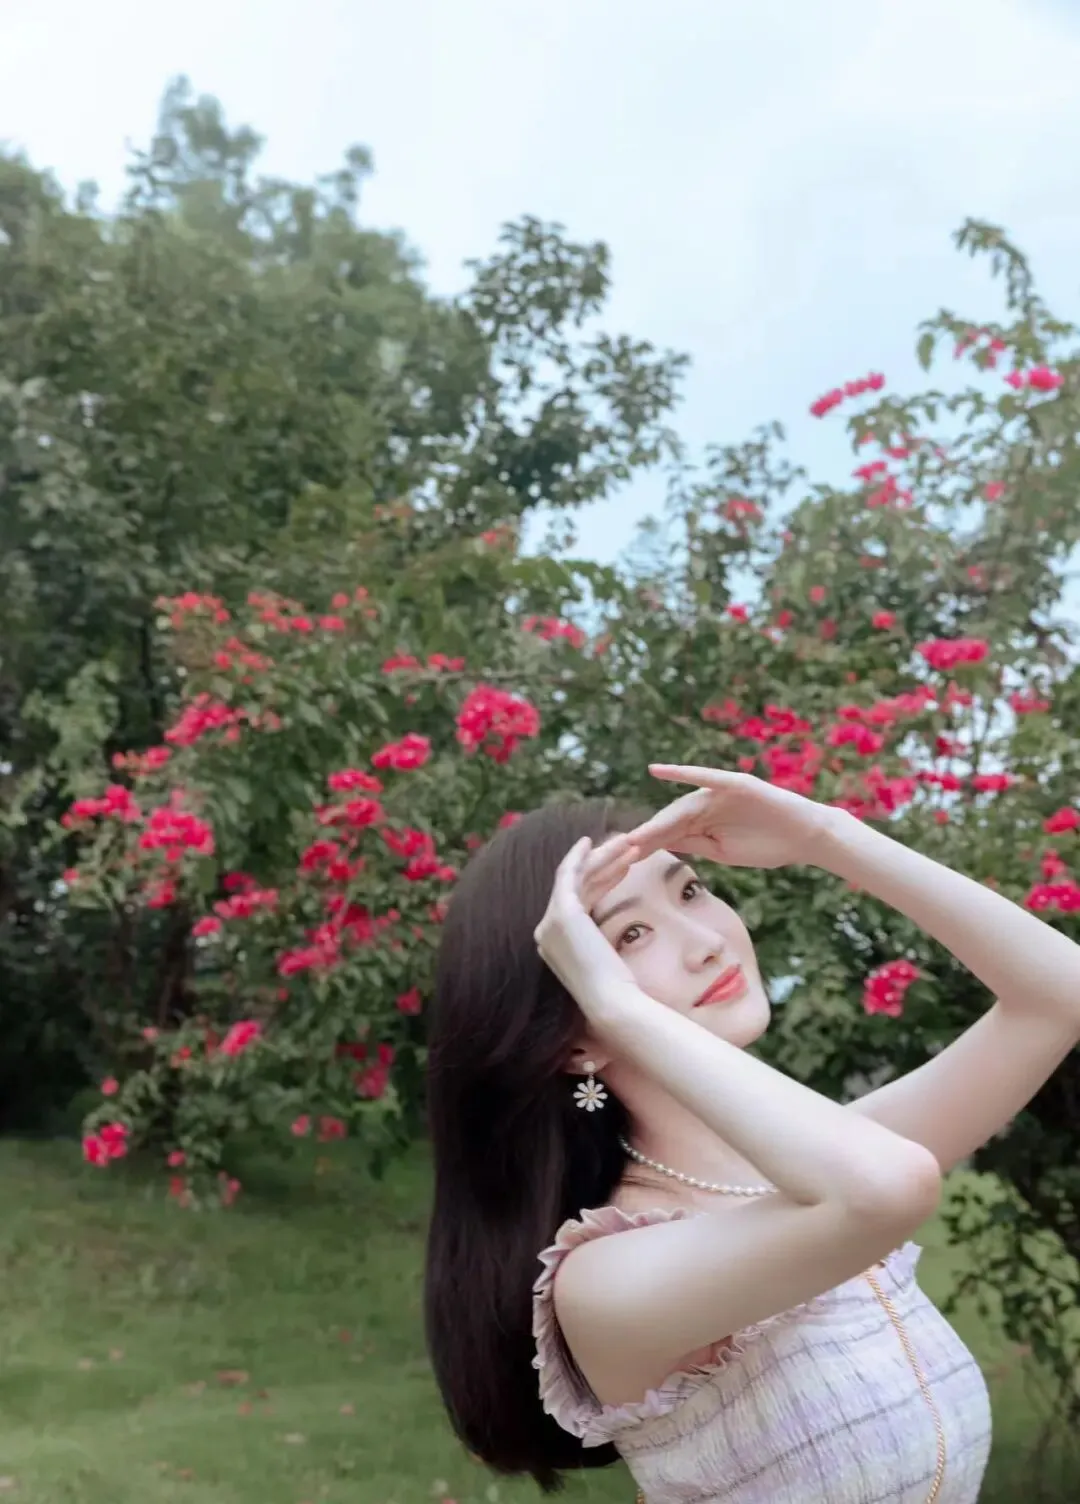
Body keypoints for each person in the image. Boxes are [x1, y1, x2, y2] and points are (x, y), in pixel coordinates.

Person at [423, 763, 1080, 1502]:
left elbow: (1059, 996)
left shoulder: (824, 1165)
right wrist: (616, 1009)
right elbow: (886, 1189)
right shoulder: (601, 1283)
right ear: (575, 1040)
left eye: (690, 891)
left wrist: (826, 834)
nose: (705, 940)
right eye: (630, 934)